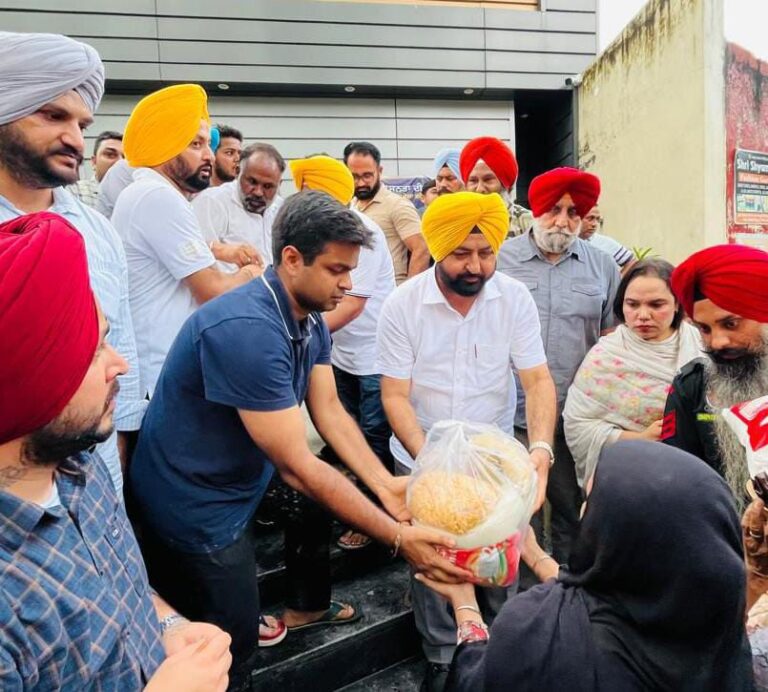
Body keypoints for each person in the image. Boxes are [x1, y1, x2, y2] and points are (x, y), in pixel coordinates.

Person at [128, 190, 468, 689]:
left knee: (312, 508)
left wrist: (384, 484)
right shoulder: (247, 328)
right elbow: (296, 465)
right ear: (291, 259)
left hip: (246, 469)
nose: (348, 284)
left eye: (351, 269)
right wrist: (398, 538)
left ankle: (307, 607)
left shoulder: (308, 318)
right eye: (336, 270)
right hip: (195, 501)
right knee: (230, 640)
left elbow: (327, 408)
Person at [0, 212, 232, 692]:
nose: (119, 363)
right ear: (31, 380)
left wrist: (170, 626)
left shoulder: (80, 466)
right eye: (95, 348)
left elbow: (119, 587)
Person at [377, 191, 557, 691]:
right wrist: (433, 464)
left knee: (502, 559)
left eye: (486, 253)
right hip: (421, 460)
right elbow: (394, 396)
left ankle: (503, 652)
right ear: (436, 247)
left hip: (496, 461)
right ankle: (444, 659)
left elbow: (537, 381)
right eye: (461, 253)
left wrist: (540, 453)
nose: (476, 266)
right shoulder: (402, 304)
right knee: (435, 563)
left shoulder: (513, 298)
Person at [418, 440, 753, 692]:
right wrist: (536, 557)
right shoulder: (719, 620)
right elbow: (606, 591)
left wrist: (464, 605)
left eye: (591, 504)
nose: (581, 513)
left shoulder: (540, 635)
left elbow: (477, 681)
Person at [0, 31, 144, 494]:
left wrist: (117, 463)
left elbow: (122, 344)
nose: (74, 138)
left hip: (97, 484)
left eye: (83, 123)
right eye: (54, 115)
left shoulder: (98, 231)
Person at [498, 167, 620, 564]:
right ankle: (525, 603)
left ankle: (570, 593)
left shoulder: (603, 267)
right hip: (511, 414)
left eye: (574, 211)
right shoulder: (500, 260)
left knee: (573, 509)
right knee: (516, 514)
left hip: (573, 416)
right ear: (535, 210)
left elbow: (610, 340)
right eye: (554, 209)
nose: (564, 221)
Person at [112, 83, 262, 398]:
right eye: (195, 144)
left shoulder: (150, 193)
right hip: (161, 375)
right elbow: (213, 290)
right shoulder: (158, 196)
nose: (209, 155)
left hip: (160, 371)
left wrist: (223, 250)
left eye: (208, 144)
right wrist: (253, 275)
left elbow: (168, 258)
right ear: (164, 147)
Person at [291, 155, 397, 550]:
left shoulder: (360, 232)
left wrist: (300, 335)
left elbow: (352, 305)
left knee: (372, 437)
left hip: (373, 354)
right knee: (343, 435)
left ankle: (376, 518)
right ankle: (354, 508)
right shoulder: (314, 234)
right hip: (339, 354)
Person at [564, 259, 702, 486]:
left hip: (693, 476)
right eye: (633, 304)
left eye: (656, 305)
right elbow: (578, 425)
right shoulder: (606, 355)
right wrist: (640, 439)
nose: (643, 315)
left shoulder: (701, 348)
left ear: (677, 303)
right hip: (626, 477)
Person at [662, 244, 768, 499]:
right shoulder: (691, 387)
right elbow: (678, 478)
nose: (718, 342)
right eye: (704, 329)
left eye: (731, 324)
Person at [345, 140, 430, 284]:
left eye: (367, 176)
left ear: (379, 171)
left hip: (388, 295)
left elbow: (421, 249)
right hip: (356, 292)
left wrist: (406, 295)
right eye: (354, 176)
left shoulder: (397, 205)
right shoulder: (351, 206)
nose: (360, 183)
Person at [193, 142, 284, 268]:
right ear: (237, 172)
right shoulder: (212, 202)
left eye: (268, 186)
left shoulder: (282, 209)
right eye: (252, 182)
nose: (258, 192)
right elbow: (195, 254)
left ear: (280, 184)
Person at [459, 136, 533, 238]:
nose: (480, 189)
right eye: (473, 181)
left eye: (488, 180)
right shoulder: (455, 222)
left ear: (505, 185)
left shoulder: (528, 223)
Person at [67, 130, 124, 207]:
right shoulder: (75, 192)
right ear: (94, 162)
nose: (120, 162)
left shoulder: (136, 196)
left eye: (126, 157)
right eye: (110, 154)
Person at [579, 205, 634, 272]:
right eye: (590, 218)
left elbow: (631, 263)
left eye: (598, 219)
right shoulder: (565, 242)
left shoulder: (605, 242)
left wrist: (619, 280)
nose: (594, 224)